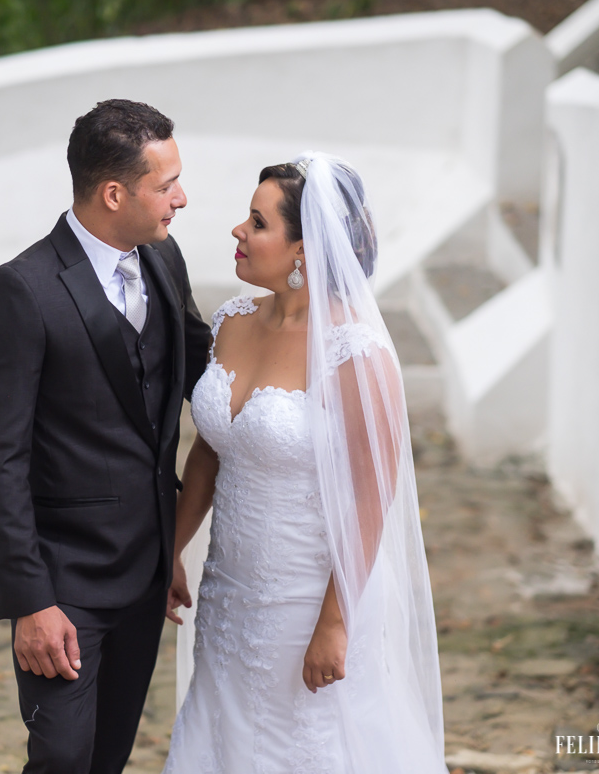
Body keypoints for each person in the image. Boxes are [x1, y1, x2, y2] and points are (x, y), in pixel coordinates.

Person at [162, 153, 450, 772]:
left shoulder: (355, 351)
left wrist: (335, 623)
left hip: (309, 594)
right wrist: (172, 550)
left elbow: (373, 498)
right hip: (228, 590)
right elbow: (212, 449)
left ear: (302, 251)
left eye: (257, 222)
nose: (239, 231)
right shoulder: (232, 322)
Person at [0, 99, 212, 774]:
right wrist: (30, 602)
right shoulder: (19, 292)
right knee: (63, 761)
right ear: (114, 193)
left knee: (105, 760)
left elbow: (207, 374)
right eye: (166, 185)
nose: (181, 199)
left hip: (148, 576)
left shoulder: (164, 263)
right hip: (63, 585)